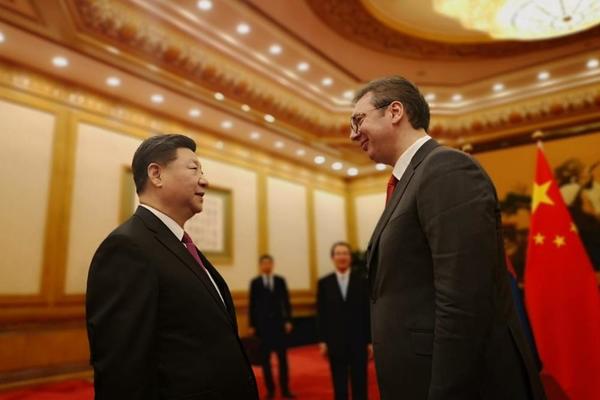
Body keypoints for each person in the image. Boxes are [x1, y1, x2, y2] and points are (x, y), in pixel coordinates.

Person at [349, 76, 546, 400]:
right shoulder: (411, 179)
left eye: (358, 120)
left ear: (395, 112)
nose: (353, 134)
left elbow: (463, 301)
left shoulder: (446, 168)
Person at [86, 134, 258, 400]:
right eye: (194, 169)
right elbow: (122, 371)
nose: (205, 181)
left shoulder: (179, 245)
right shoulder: (127, 248)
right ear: (156, 174)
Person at [317, 241, 372, 400]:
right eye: (338, 253)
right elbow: (321, 314)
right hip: (335, 341)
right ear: (333, 258)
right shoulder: (324, 283)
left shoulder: (362, 281)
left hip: (359, 341)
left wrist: (370, 341)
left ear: (350, 258)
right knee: (339, 383)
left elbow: (367, 312)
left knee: (360, 382)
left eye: (345, 253)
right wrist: (322, 340)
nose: (342, 257)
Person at [248, 255, 295, 399]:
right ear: (260, 265)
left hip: (279, 325)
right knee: (265, 360)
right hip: (263, 327)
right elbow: (252, 305)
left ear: (272, 265)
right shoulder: (255, 283)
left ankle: (285, 389)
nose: (267, 265)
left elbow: (286, 302)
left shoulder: (280, 281)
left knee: (283, 359)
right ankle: (271, 390)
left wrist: (288, 320)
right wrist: (252, 325)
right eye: (264, 263)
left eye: (269, 263)